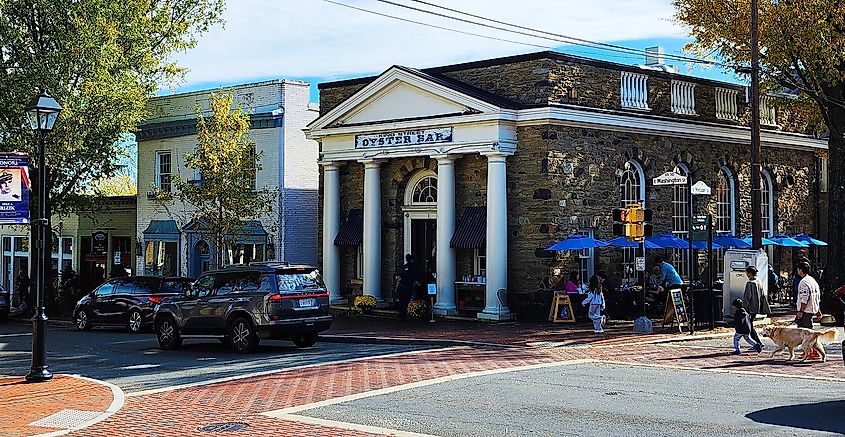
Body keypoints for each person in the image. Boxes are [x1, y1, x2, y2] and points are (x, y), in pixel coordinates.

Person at [742, 266, 770, 347]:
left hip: (750, 308)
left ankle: (758, 343)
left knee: (750, 327)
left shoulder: (750, 283)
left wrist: (744, 308)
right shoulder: (759, 282)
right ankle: (758, 343)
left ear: (749, 273)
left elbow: (747, 297)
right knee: (750, 325)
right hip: (756, 307)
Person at [395, 254, 422, 321]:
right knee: (406, 301)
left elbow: (399, 278)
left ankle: (401, 314)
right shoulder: (415, 268)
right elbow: (417, 278)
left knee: (401, 301)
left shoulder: (404, 267)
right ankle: (405, 314)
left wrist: (396, 286)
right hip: (409, 287)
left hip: (402, 287)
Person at [795, 262, 821, 329]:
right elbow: (816, 297)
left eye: (798, 269)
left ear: (801, 270)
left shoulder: (803, 282)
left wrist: (801, 311)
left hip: (805, 312)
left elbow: (804, 298)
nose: (797, 270)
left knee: (804, 334)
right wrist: (818, 310)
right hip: (811, 310)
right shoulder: (813, 281)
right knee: (809, 333)